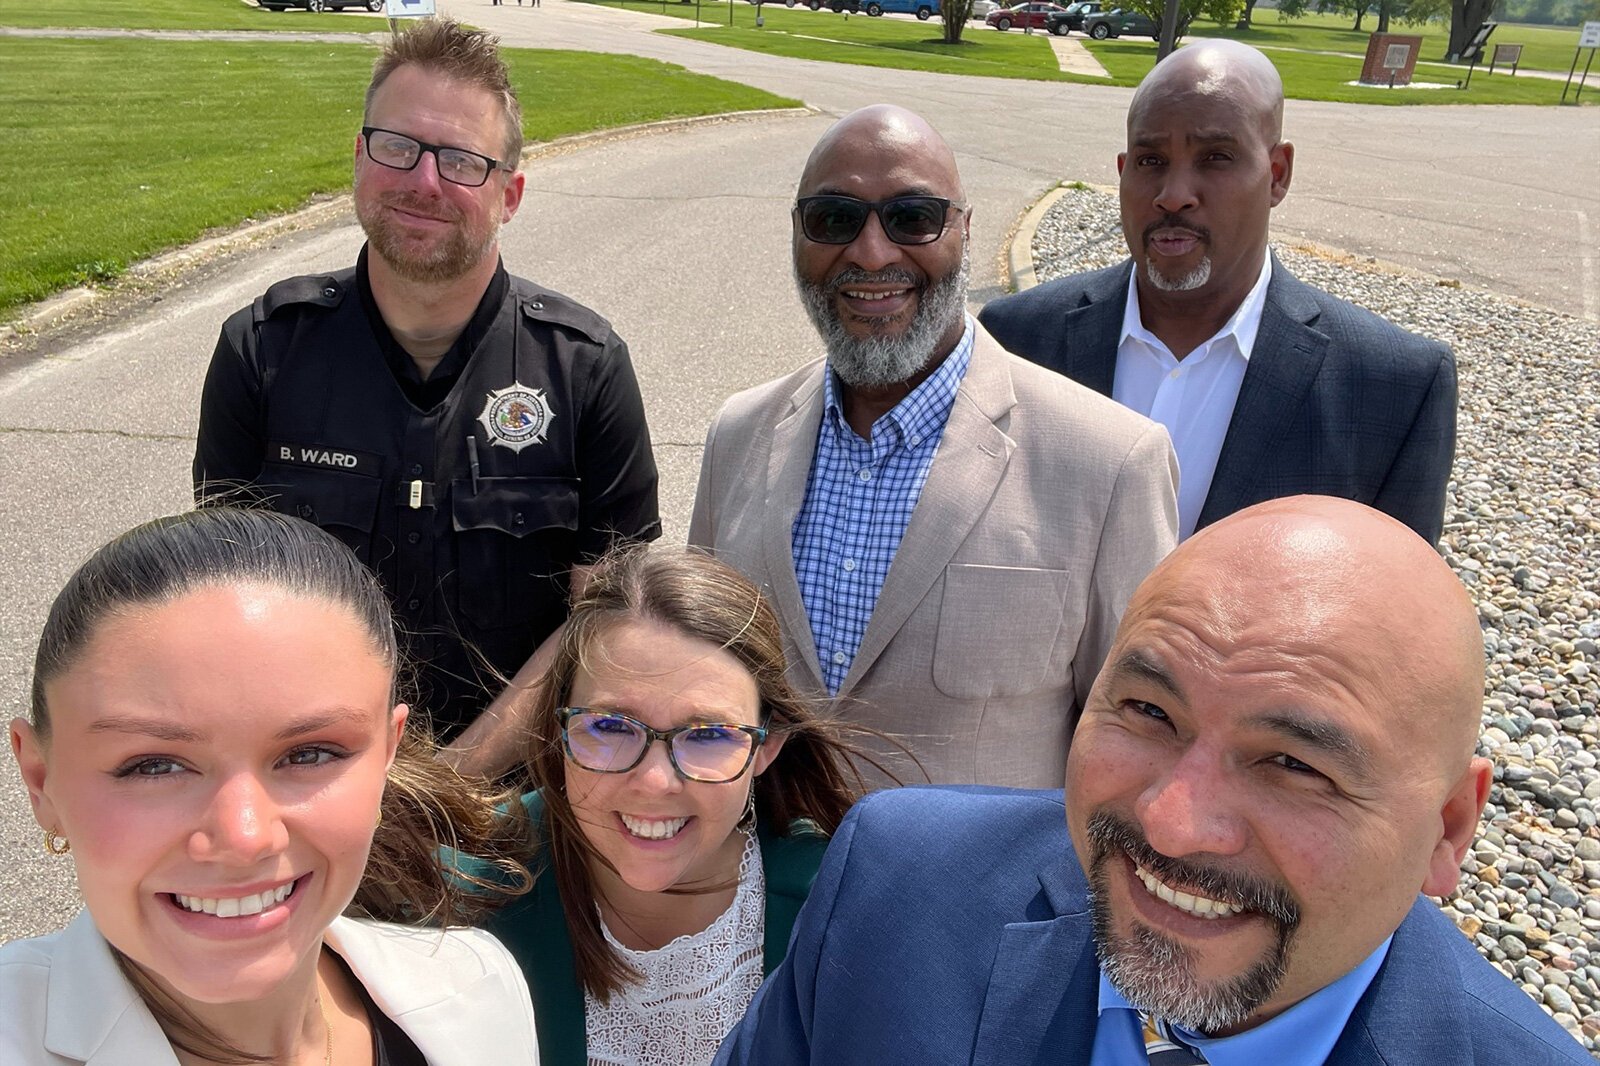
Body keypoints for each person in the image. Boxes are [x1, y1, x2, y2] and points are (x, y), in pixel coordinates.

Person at [714, 496, 1590, 1065]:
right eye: (1147, 713)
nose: (1170, 823)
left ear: (1448, 829)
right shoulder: (898, 888)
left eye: (1293, 765)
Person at [193, 18, 660, 769]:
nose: (423, 182)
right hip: (304, 790)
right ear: (359, 156)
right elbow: (229, 603)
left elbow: (602, 626)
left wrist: (455, 781)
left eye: (462, 162)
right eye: (398, 147)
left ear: (509, 195)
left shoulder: (585, 370)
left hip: (512, 809)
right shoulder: (265, 351)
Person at [688, 105, 1178, 788]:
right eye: (834, 219)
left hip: (968, 896)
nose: (871, 252)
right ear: (798, 233)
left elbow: (1139, 752)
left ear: (965, 230)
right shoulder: (738, 435)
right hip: (750, 888)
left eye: (911, 217)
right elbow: (693, 686)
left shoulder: (1110, 464)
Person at [2, 508, 540, 1065]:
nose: (246, 837)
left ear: (387, 755)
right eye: (155, 765)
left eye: (309, 754)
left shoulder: (477, 989)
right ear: (41, 781)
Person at [979, 41, 1456, 545]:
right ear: (1121, 172)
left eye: (1215, 157)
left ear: (1277, 174)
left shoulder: (1392, 387)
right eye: (1150, 161)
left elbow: (1394, 610)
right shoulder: (1016, 340)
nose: (1173, 194)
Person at [460, 544, 880, 1066]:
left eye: (707, 735)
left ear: (766, 748)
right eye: (610, 726)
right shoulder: (462, 894)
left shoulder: (845, 910)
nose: (656, 781)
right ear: (557, 729)